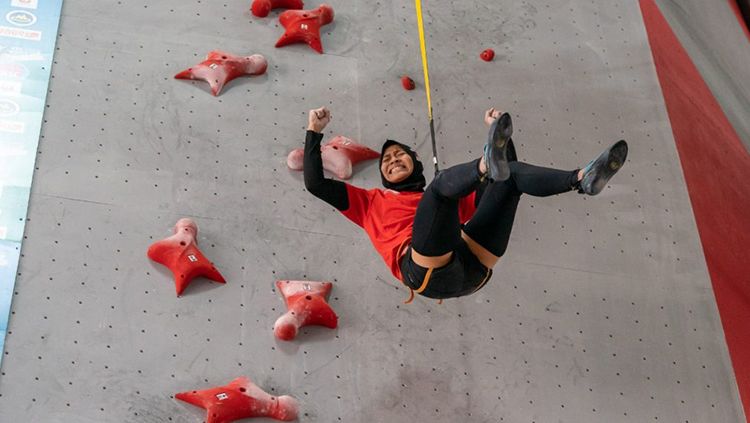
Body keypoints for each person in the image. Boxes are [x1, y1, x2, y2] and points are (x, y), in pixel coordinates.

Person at [303, 106, 628, 302]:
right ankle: (484, 162)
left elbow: (501, 181)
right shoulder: (370, 202)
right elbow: (316, 184)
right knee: (442, 188)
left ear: (414, 162)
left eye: (399, 153)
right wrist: (313, 132)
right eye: (386, 161)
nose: (392, 160)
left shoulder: (448, 203)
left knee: (509, 177)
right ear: (385, 177)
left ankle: (581, 179)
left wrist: (501, 134)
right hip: (424, 271)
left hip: (471, 267)